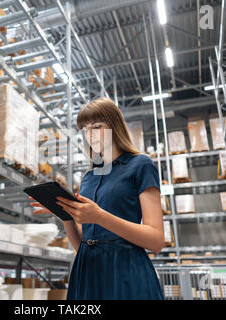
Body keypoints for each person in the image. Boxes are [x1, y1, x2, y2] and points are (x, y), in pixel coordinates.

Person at [29, 97, 164, 300]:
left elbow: (156, 240)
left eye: (97, 126)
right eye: (84, 129)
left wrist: (100, 216)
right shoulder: (89, 178)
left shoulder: (140, 165)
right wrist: (65, 214)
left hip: (125, 272)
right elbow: (84, 243)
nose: (89, 135)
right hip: (87, 271)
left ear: (115, 126)